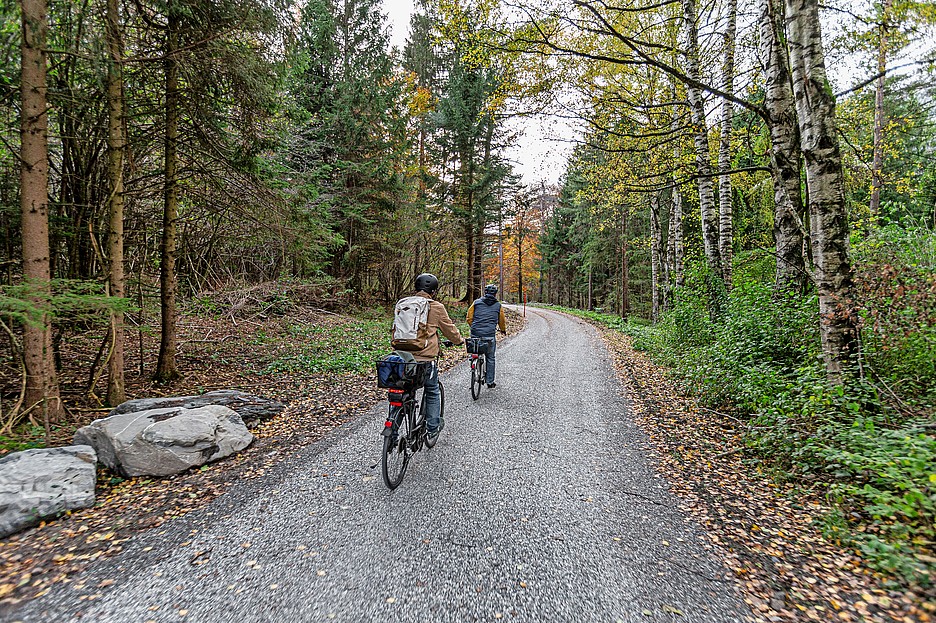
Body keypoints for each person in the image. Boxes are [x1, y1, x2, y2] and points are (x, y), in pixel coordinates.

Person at [402, 273, 464, 440]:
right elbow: (450, 330)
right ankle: (433, 427)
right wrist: (459, 341)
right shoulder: (436, 307)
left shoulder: (403, 303)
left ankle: (392, 432)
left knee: (403, 392)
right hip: (425, 360)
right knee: (432, 390)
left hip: (402, 358)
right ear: (434, 291)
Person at [466, 284, 506, 388]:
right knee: (490, 357)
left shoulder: (476, 302)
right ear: (495, 294)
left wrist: (474, 327)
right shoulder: (498, 305)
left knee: (475, 350)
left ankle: (474, 364)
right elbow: (501, 321)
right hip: (489, 334)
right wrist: (503, 330)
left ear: (485, 292)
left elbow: (469, 318)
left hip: (475, 333)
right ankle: (490, 382)